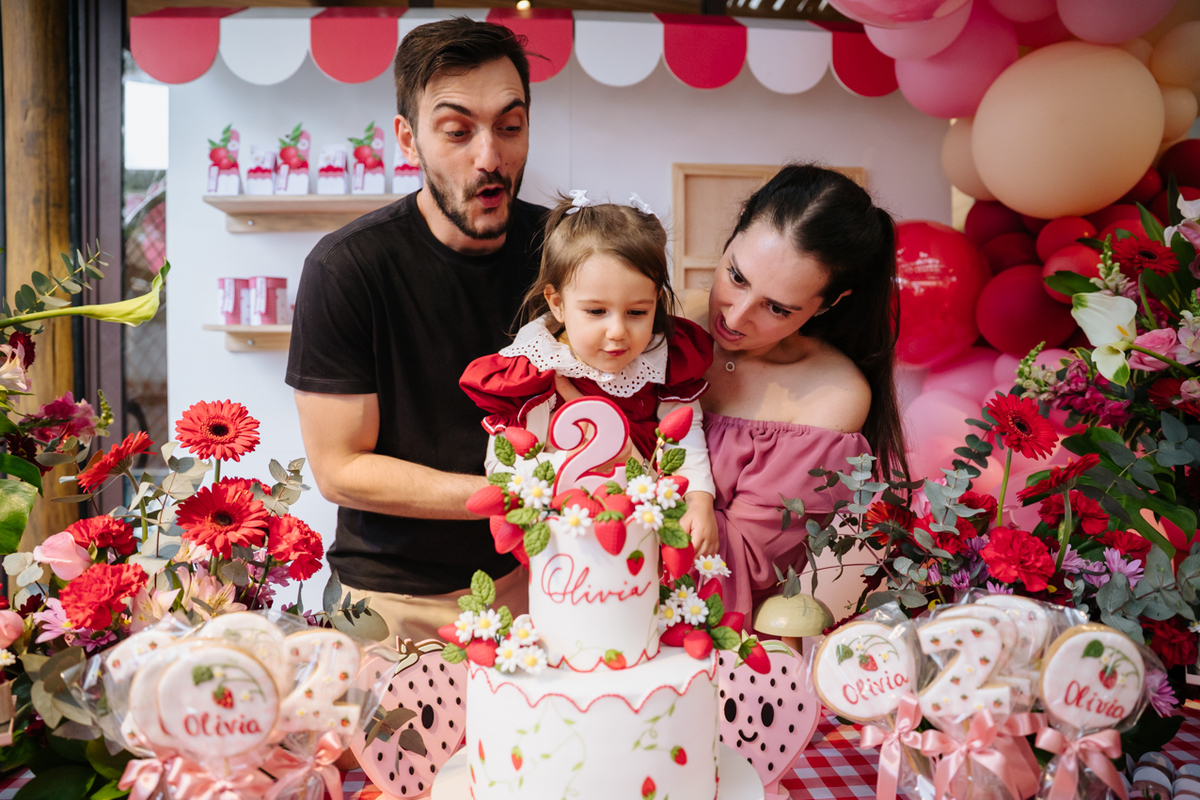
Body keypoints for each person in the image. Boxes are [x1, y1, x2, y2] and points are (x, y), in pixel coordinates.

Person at [285, 18, 547, 643]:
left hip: (533, 580)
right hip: (389, 597)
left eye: (510, 127)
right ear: (409, 139)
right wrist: (513, 495)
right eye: (457, 131)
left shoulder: (561, 251)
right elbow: (340, 468)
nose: (490, 158)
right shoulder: (347, 268)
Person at [691, 164, 907, 621]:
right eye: (736, 277)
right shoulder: (652, 320)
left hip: (709, 629)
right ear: (735, 231)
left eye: (776, 308)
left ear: (828, 304)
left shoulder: (832, 397)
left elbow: (743, 562)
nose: (735, 317)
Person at [460, 192, 719, 554]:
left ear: (657, 303)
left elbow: (685, 435)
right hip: (564, 532)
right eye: (597, 312)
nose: (617, 331)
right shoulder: (535, 369)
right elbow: (505, 460)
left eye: (637, 312)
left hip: (647, 524)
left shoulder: (663, 361)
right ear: (557, 304)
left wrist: (699, 499)